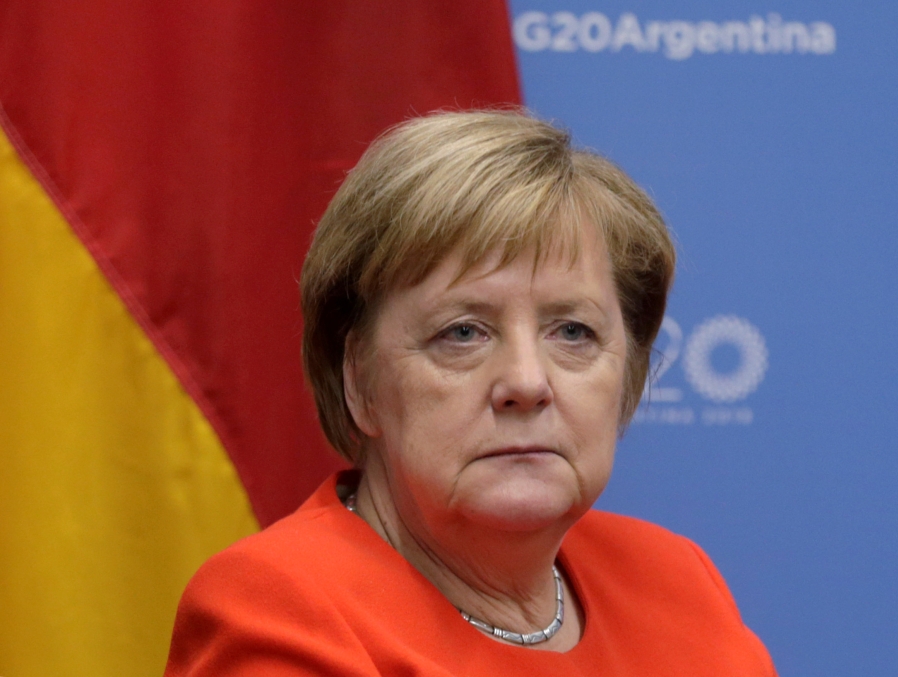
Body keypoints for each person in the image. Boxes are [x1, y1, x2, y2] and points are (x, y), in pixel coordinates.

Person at [164, 110, 778, 676]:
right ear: (360, 381)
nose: (527, 383)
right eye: (463, 333)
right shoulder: (277, 609)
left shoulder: (674, 579)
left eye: (573, 331)